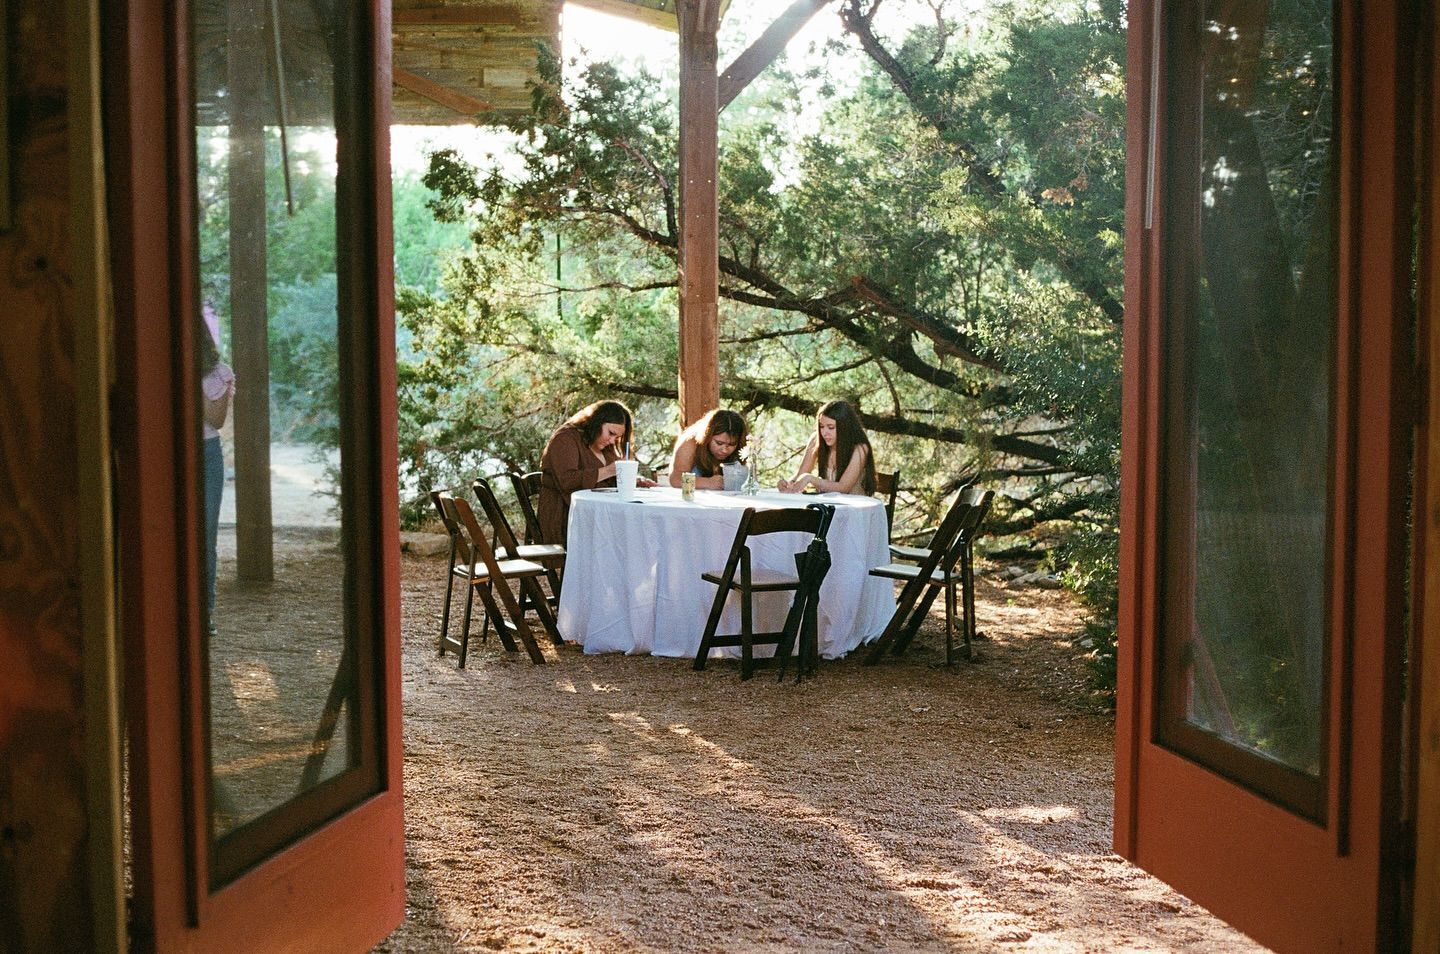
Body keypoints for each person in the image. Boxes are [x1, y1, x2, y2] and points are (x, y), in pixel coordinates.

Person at [539, 399, 653, 544]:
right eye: (611, 433)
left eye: (617, 437)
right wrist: (610, 470)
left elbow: (611, 479)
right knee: (630, 536)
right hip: (567, 516)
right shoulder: (566, 439)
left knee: (642, 531)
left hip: (598, 515)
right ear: (596, 422)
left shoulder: (605, 446)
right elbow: (567, 481)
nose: (612, 441)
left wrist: (638, 481)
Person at [200, 307, 235, 630]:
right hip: (170, 453)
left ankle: (204, 612)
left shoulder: (218, 373)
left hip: (206, 453)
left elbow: (216, 419)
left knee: (205, 534)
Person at [779, 399, 877, 496]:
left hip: (853, 508)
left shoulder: (860, 448)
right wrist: (788, 483)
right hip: (825, 505)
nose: (824, 433)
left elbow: (843, 488)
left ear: (845, 427)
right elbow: (801, 474)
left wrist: (811, 479)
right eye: (821, 426)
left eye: (831, 427)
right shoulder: (816, 440)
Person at [666, 408, 748, 491]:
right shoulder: (690, 442)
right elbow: (675, 479)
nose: (725, 450)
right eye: (719, 443)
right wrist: (708, 482)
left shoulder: (741, 448)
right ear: (707, 435)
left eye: (732, 444)